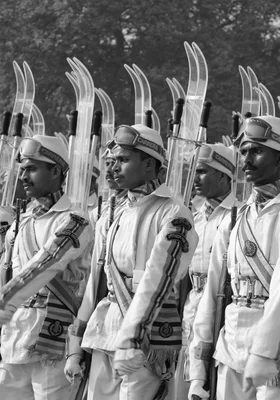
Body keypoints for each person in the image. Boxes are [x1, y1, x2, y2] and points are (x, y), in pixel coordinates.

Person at [187, 115, 280, 400]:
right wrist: (198, 366)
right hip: (231, 345)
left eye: (257, 151)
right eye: (244, 152)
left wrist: (264, 351)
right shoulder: (236, 217)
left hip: (278, 347)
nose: (247, 160)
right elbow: (212, 292)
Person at [67, 124, 198, 400]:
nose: (114, 168)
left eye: (124, 160)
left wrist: (133, 336)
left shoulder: (174, 213)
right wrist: (75, 345)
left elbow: (158, 280)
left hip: (146, 337)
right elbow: (96, 283)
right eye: (113, 160)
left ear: (150, 165)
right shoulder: (112, 214)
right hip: (104, 329)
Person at [0, 134, 93, 400]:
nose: (23, 177)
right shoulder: (20, 224)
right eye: (22, 170)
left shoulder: (75, 221)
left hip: (52, 341)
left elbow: (47, 261)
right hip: (13, 337)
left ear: (55, 171)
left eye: (31, 169)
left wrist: (4, 301)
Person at [171, 143, 239, 399]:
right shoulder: (194, 217)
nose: (195, 178)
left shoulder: (237, 216)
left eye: (202, 171)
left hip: (221, 307)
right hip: (192, 306)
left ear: (223, 174)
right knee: (184, 383)